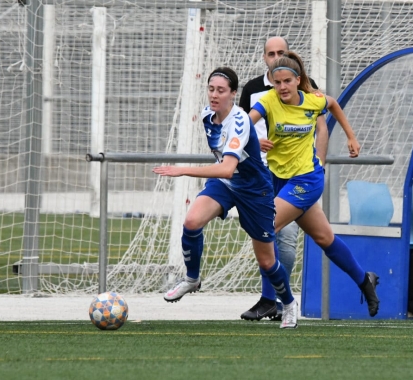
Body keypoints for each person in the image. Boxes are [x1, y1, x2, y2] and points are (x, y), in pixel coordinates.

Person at [156, 67, 298, 329]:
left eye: (221, 90)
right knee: (192, 222)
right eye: (211, 89)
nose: (214, 95)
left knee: (267, 261)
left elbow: (227, 167)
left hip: (255, 191)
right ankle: (192, 278)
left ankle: (288, 303)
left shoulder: (241, 121)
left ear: (233, 93)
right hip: (225, 184)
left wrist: (182, 169)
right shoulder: (207, 115)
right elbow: (224, 170)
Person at [248, 51, 381, 317]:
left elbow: (333, 104)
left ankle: (269, 299)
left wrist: (351, 137)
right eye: (277, 82)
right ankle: (364, 280)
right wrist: (252, 138)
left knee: (265, 226)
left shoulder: (313, 100)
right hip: (277, 178)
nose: (282, 87)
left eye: (287, 81)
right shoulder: (268, 101)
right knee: (324, 237)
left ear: (298, 80)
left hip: (307, 178)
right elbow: (244, 123)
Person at [238, 36, 328, 321]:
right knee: (266, 234)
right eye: (270, 53)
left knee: (285, 237)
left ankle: (277, 300)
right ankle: (273, 300)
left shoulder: (304, 86)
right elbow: (239, 127)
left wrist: (320, 163)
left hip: (297, 175)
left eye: (281, 52)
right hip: (260, 174)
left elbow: (323, 125)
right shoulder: (253, 90)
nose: (275, 57)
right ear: (264, 57)